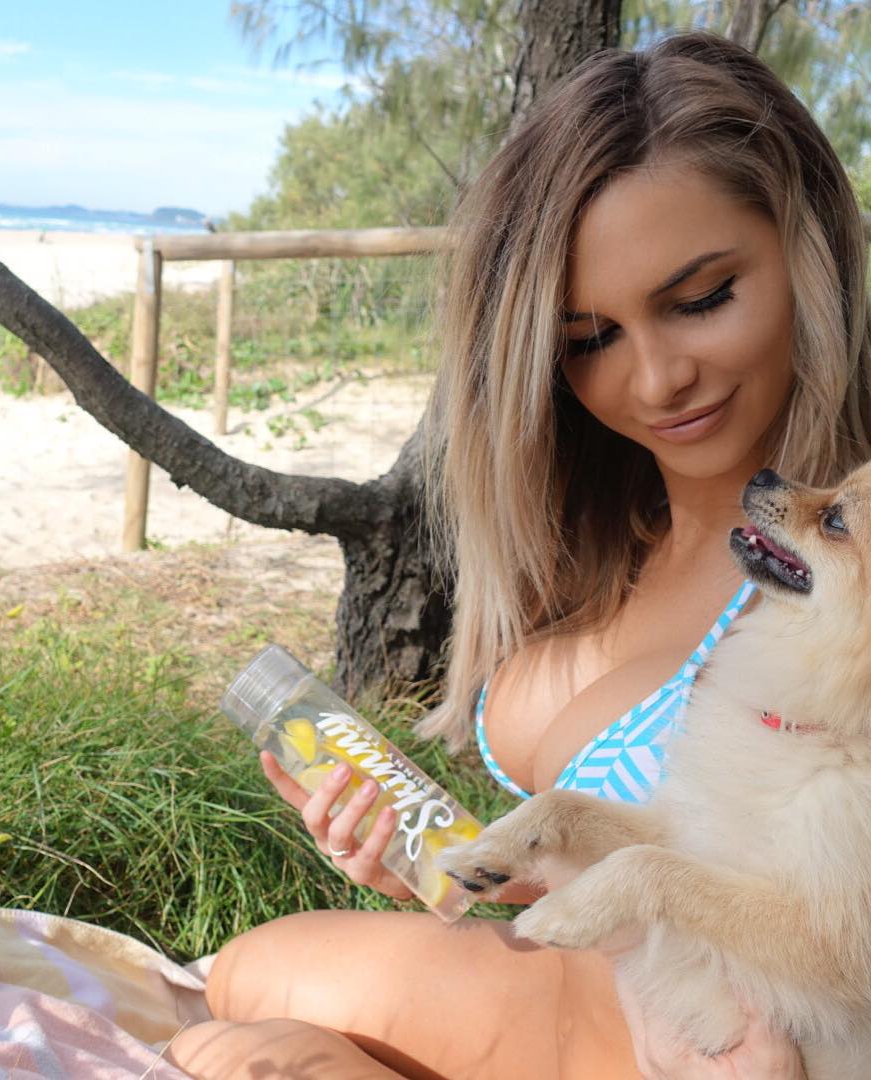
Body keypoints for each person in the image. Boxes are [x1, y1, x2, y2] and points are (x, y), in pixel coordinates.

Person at [168, 30, 871, 1080]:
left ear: (806, 252)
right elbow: (615, 881)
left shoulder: (842, 567)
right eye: (590, 339)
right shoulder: (590, 549)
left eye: (702, 297)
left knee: (254, 1035)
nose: (658, 379)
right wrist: (446, 860)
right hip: (567, 1005)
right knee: (246, 998)